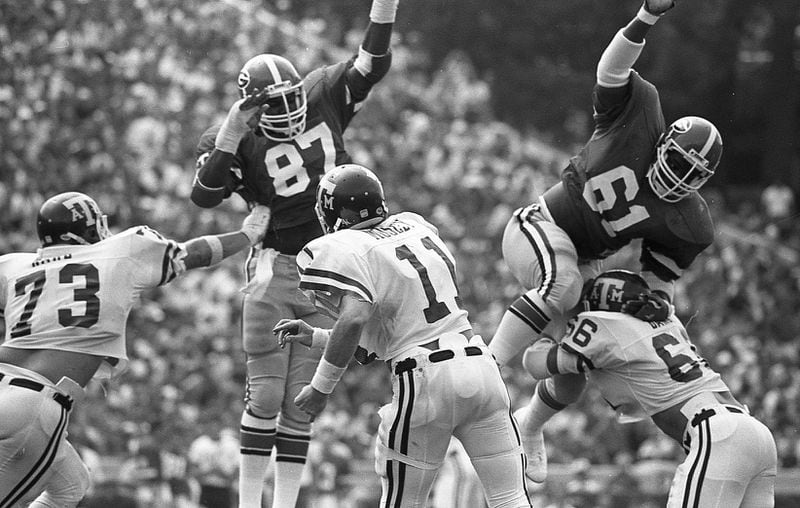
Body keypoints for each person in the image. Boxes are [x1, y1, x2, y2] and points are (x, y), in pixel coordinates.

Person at [487, 0, 724, 482]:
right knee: (564, 286)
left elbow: (658, 281)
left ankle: (528, 428)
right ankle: (485, 369)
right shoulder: (635, 118)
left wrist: (655, 305)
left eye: (691, 175)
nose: (677, 177)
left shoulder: (689, 222)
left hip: (584, 261)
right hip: (540, 225)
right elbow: (611, 68)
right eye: (676, 161)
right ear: (662, 144)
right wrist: (646, 16)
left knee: (581, 362)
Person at [189, 0, 399, 505]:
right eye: (272, 105)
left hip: (335, 267)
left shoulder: (323, 92)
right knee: (265, 394)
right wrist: (233, 132)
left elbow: (372, 62)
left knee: (301, 402)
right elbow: (203, 193)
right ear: (249, 110)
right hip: (277, 266)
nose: (286, 111)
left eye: (290, 99)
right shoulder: (233, 136)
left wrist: (384, 5)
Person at [273, 164, 532, 507]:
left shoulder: (342, 246)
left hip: (425, 375)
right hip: (479, 364)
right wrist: (319, 337)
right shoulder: (415, 226)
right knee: (511, 498)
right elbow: (387, 333)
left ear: (333, 212)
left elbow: (354, 320)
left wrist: (321, 388)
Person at [0, 191, 270, 508]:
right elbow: (193, 254)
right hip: (36, 403)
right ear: (86, 228)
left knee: (71, 484)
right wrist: (247, 235)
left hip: (7, 387)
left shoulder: (11, 266)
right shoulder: (120, 252)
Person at [522, 269, 778, 507]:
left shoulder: (603, 326)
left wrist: (551, 332)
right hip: (755, 433)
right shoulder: (670, 321)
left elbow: (535, 365)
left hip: (718, 434)